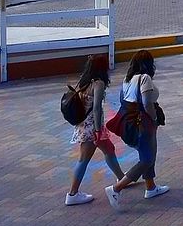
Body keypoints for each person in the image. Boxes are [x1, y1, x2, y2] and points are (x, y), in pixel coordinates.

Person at [105, 50, 168, 210]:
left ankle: (151, 187)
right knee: (147, 159)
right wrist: (154, 118)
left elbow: (123, 99)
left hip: (131, 121)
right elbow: (146, 103)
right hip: (144, 123)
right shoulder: (145, 78)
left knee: (148, 153)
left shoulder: (127, 79)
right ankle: (116, 188)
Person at [65, 55, 128, 205]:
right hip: (92, 128)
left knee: (109, 149)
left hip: (83, 125)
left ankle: (121, 178)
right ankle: (72, 193)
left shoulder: (84, 82)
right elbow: (97, 108)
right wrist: (98, 131)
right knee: (84, 159)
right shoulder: (98, 84)